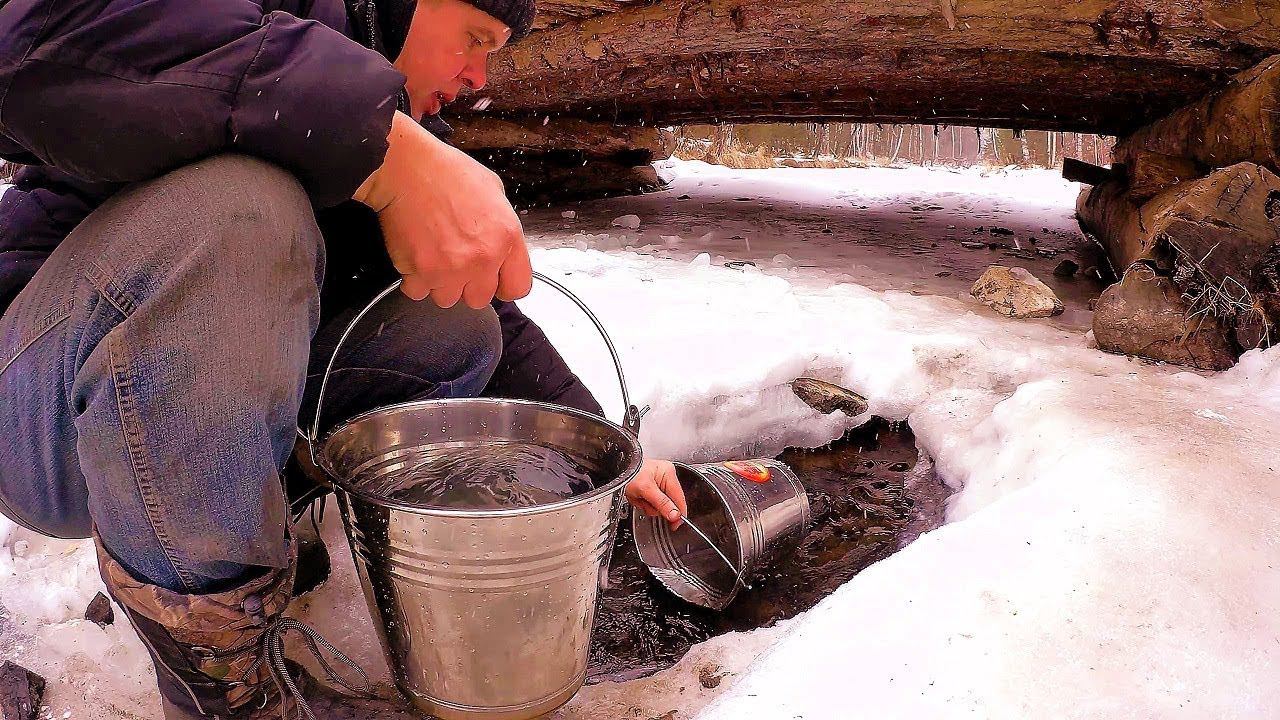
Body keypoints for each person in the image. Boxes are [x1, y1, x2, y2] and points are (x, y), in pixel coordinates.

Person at [0, 0, 688, 716]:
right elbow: (31, 39)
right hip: (40, 401)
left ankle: (252, 544)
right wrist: (376, 147)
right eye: (473, 39)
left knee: (455, 327)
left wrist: (609, 451)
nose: (478, 75)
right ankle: (225, 684)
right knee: (241, 209)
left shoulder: (392, 110)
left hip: (161, 401)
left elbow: (490, 317)